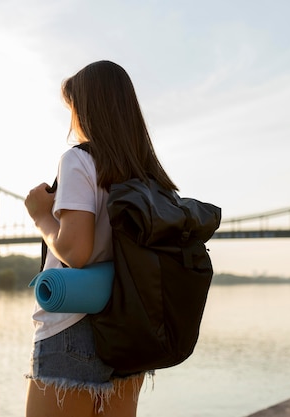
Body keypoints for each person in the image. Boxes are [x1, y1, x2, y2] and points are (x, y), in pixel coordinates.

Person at [24, 60, 177, 417]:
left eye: (73, 108)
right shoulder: (150, 175)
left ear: (88, 109)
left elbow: (76, 253)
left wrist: (41, 216)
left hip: (73, 326)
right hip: (131, 328)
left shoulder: (78, 160)